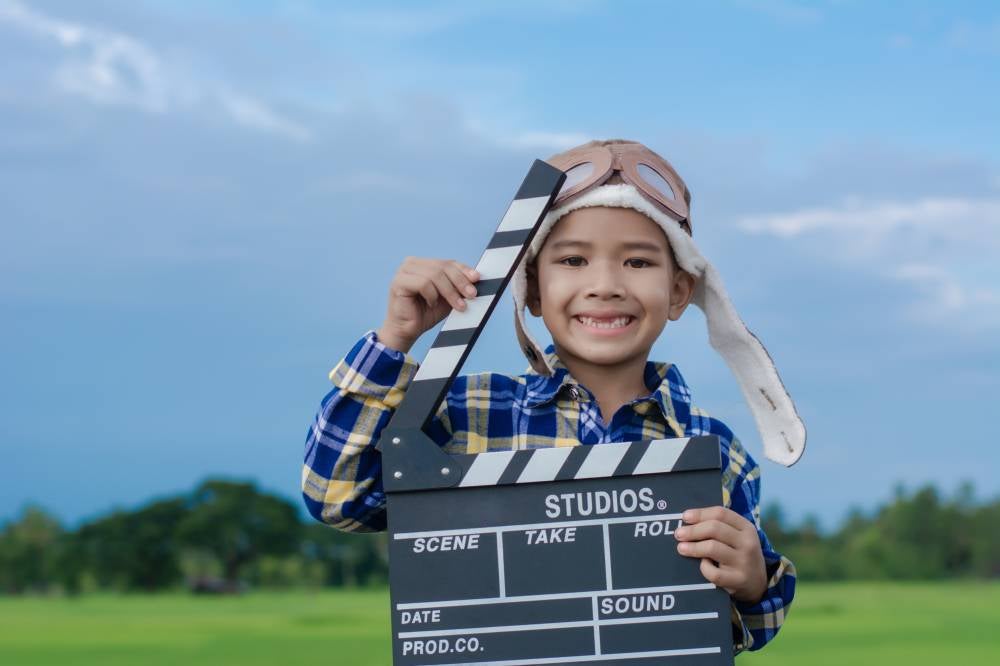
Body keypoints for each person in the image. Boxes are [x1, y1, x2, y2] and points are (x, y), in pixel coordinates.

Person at [302, 139, 806, 653]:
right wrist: (395, 339)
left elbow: (738, 631)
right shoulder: (464, 414)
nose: (605, 284)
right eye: (572, 260)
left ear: (678, 291)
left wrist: (753, 583)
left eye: (637, 262)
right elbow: (336, 497)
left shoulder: (714, 449)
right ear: (534, 290)